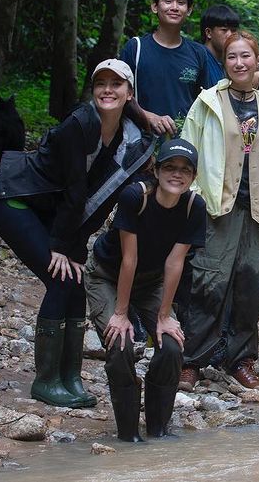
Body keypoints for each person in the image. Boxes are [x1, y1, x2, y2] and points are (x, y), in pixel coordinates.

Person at [0, 59, 156, 408]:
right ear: (93, 91)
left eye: (116, 85)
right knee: (61, 280)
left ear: (129, 93)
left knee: (75, 286)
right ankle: (46, 381)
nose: (108, 90)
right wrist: (61, 247)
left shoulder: (125, 132)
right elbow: (76, 190)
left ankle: (71, 377)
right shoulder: (81, 123)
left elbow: (99, 195)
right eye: (101, 84)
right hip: (15, 199)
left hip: (53, 211)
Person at [177, 30, 259, 390]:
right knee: (209, 283)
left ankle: (241, 359)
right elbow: (188, 149)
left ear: (258, 60)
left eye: (246, 56)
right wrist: (192, 195)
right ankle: (192, 359)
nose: (239, 63)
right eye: (232, 57)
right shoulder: (207, 102)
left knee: (253, 284)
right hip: (216, 206)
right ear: (224, 62)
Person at [85, 139, 205, 441]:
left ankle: (158, 428)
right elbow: (129, 259)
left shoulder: (193, 206)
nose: (176, 175)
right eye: (170, 167)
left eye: (185, 170)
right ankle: (128, 433)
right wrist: (121, 313)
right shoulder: (135, 196)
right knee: (119, 343)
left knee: (172, 346)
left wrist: (164, 317)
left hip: (152, 280)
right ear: (156, 169)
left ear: (193, 177)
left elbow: (175, 264)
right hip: (108, 275)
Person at [118, 0, 224, 137]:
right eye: (168, 1)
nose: (174, 7)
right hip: (141, 145)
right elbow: (118, 94)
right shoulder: (136, 48)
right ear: (155, 6)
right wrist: (148, 116)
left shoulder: (198, 53)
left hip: (185, 147)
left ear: (189, 10)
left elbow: (208, 102)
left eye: (181, 2)